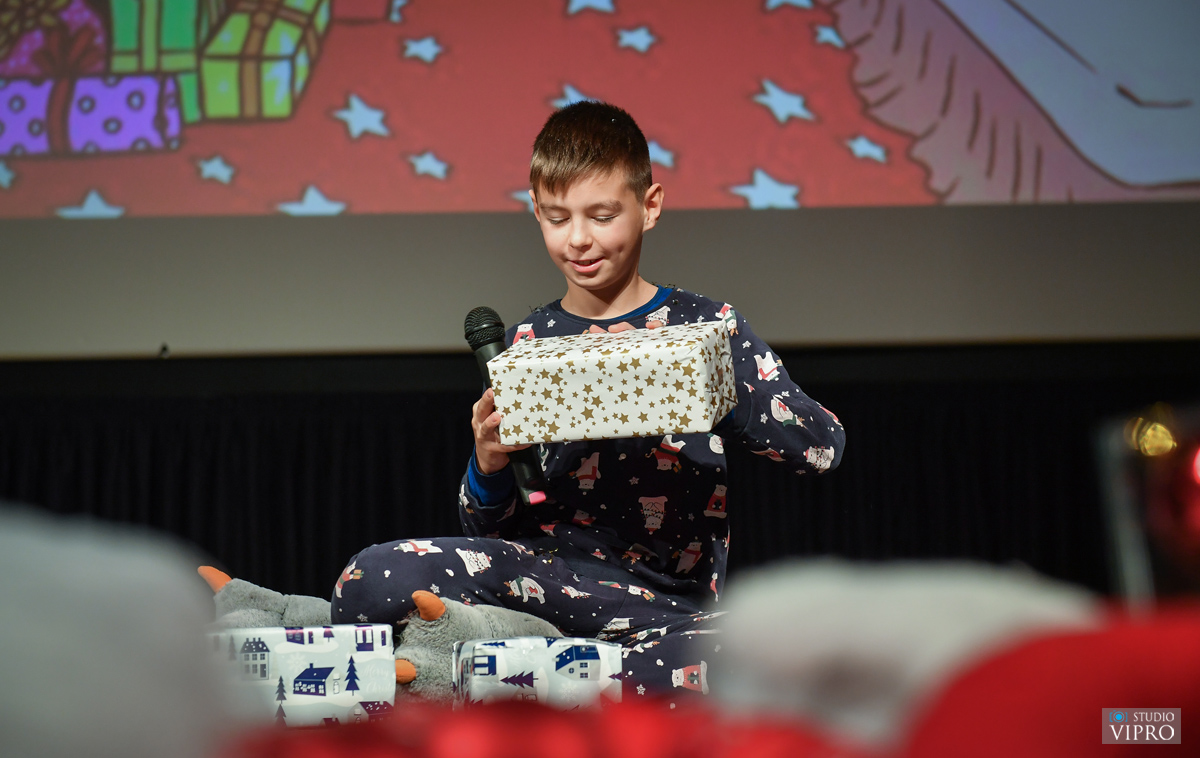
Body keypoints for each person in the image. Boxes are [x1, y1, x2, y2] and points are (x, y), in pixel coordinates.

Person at [333, 101, 845, 702]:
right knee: (372, 578)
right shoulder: (528, 342)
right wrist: (489, 463)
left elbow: (823, 446)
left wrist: (722, 395)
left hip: (667, 611)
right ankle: (550, 666)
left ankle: (535, 672)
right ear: (536, 211)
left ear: (650, 206)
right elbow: (488, 529)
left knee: (761, 653)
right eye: (557, 218)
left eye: (602, 216)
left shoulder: (708, 326)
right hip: (543, 583)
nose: (578, 239)